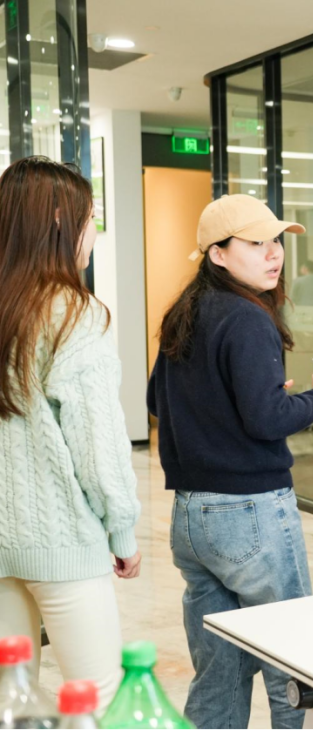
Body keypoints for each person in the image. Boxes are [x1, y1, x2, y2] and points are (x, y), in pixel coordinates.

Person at [149, 194, 313, 729]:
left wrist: (237, 404)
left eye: (276, 241)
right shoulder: (246, 317)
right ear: (217, 254)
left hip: (191, 516)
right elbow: (267, 421)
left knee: (218, 671)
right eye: (256, 242)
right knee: (293, 663)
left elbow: (157, 401)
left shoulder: (184, 312)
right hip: (250, 512)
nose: (274, 253)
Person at [0, 157, 141, 709]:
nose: (94, 233)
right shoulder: (75, 314)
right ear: (61, 221)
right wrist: (121, 531)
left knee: (10, 700)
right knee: (97, 698)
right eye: (90, 218)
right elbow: (98, 446)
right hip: (61, 543)